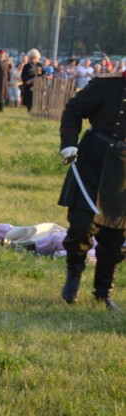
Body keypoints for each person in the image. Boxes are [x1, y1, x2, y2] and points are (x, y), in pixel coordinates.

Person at [57, 67, 125, 311]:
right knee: (81, 226)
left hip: (123, 175)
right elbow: (74, 109)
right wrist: (68, 143)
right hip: (93, 163)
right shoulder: (106, 84)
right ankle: (72, 282)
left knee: (116, 238)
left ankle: (103, 293)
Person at [0, 209, 94, 259]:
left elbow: (91, 257)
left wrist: (61, 255)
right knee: (35, 230)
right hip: (78, 236)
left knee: (54, 238)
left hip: (69, 246)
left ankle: (19, 247)